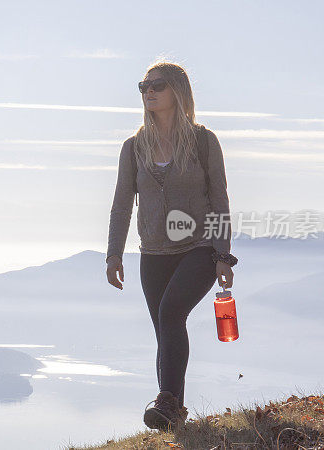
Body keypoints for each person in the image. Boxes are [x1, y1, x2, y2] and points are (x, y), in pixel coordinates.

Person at [104, 60, 239, 432]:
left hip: (199, 247)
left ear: (177, 91)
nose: (148, 91)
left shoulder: (202, 140)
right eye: (143, 86)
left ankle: (167, 404)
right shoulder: (134, 147)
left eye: (157, 85)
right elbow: (120, 204)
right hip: (153, 254)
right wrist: (114, 253)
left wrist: (222, 254)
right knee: (164, 330)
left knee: (170, 313)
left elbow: (219, 199)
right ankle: (172, 412)